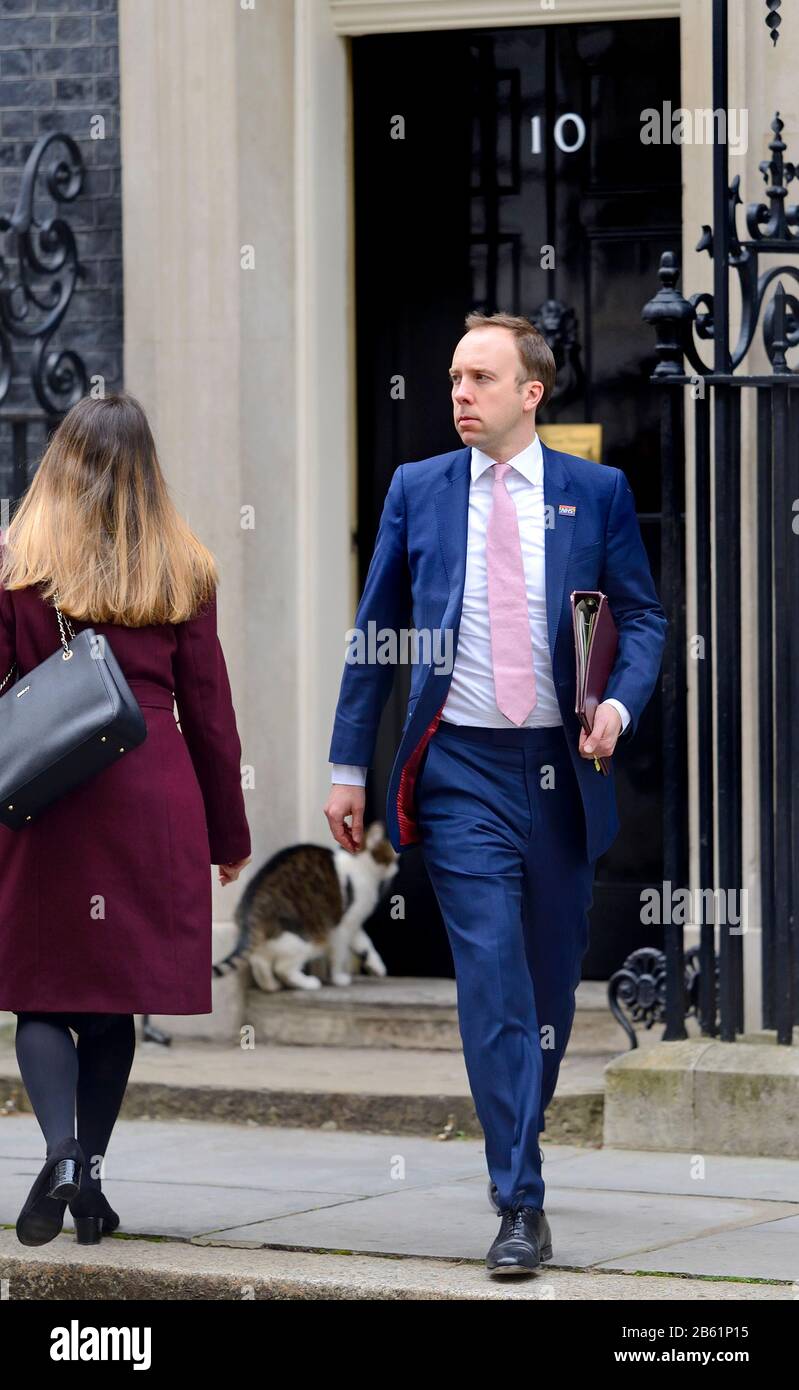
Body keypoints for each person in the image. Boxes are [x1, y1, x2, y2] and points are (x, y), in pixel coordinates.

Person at [325, 311, 667, 1276]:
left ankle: (517, 1132)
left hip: (560, 771)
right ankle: (519, 1200)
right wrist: (349, 767)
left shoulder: (593, 493)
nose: (458, 395)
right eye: (450, 378)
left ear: (530, 392)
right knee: (492, 984)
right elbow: (375, 633)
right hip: (459, 768)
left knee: (550, 985)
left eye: (479, 378)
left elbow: (641, 618)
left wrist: (621, 707)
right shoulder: (417, 490)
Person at [0, 390, 251, 1246]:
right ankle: (93, 1185)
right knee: (111, 1006)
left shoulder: (16, 567)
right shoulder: (185, 570)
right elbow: (212, 717)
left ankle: (63, 1153)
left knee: (41, 991)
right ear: (149, 473)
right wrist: (228, 836)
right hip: (153, 794)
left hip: (51, 793)